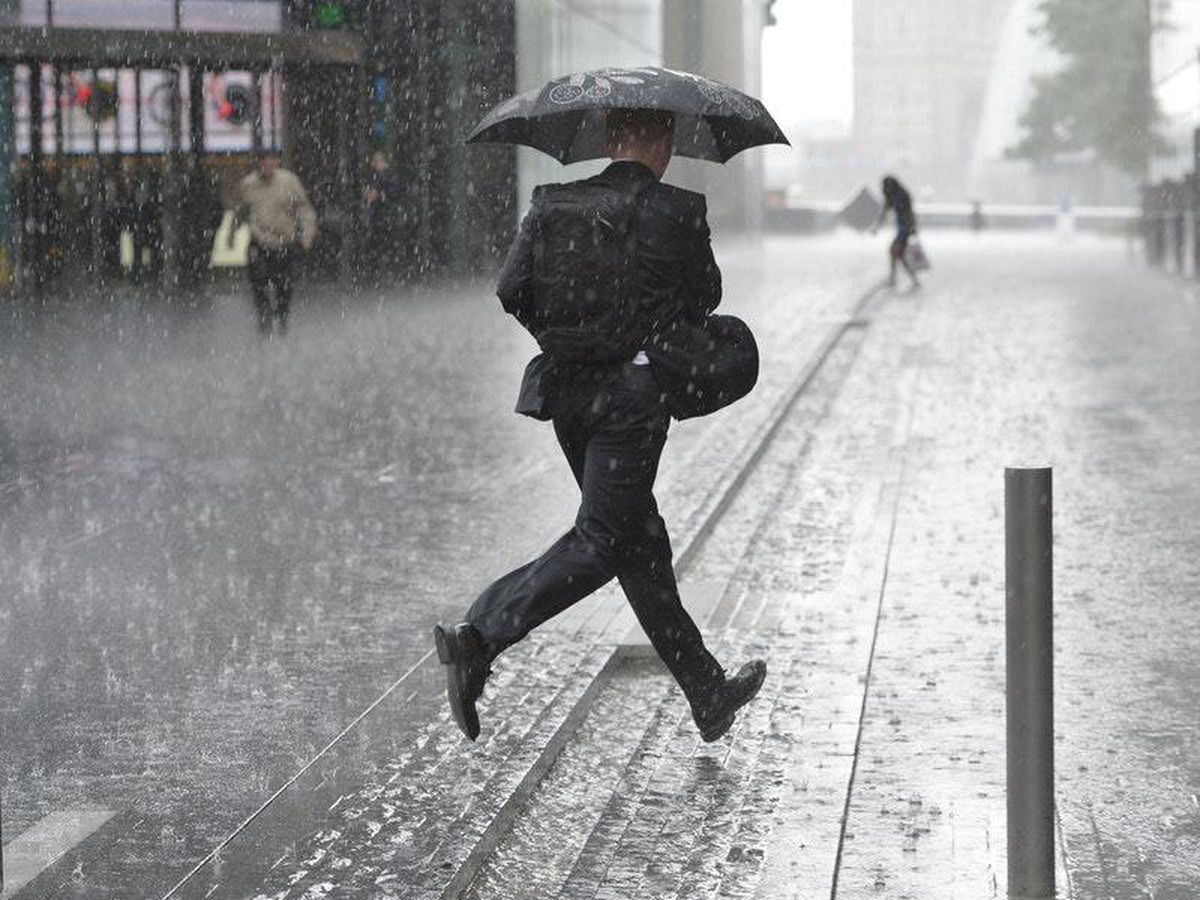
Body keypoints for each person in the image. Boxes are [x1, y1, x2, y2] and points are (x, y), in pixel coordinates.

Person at [433, 107, 767, 744]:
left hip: (569, 395)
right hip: (632, 402)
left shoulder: (553, 202)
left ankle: (706, 690)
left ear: (609, 139)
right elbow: (707, 298)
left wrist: (572, 339)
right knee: (604, 538)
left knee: (637, 540)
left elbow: (513, 290)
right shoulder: (678, 211)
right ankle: (481, 635)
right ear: (662, 142)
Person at [228, 151, 317, 336]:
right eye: (263, 163)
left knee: (284, 284)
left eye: (270, 162)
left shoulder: (289, 182)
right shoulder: (249, 185)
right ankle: (264, 316)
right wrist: (232, 234)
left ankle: (282, 316)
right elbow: (239, 211)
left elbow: (304, 209)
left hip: (284, 241)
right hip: (259, 240)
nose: (267, 167)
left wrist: (307, 234)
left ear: (276, 163)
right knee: (258, 280)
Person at [871, 174, 920, 289]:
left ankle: (896, 278)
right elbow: (885, 210)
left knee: (895, 252)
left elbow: (887, 210)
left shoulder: (900, 196)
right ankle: (909, 279)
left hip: (905, 229)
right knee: (898, 254)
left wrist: (877, 226)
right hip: (905, 228)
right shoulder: (898, 195)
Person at [363, 151, 404, 282]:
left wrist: (377, 196)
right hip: (387, 217)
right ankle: (387, 275)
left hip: (383, 217)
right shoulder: (388, 176)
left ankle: (380, 275)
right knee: (386, 246)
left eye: (374, 162)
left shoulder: (382, 176)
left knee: (380, 246)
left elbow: (388, 195)